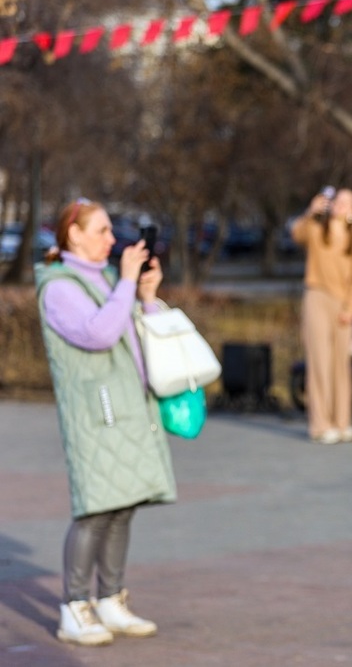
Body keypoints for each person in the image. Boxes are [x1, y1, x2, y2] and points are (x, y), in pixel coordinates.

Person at [34, 198, 177, 647]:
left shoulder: (111, 279)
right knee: (95, 509)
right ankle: (75, 606)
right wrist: (128, 282)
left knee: (123, 504)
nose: (112, 240)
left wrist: (146, 296)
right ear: (74, 234)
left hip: (129, 408)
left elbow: (140, 332)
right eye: (101, 231)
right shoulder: (59, 287)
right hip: (96, 414)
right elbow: (98, 333)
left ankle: (111, 598)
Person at [291, 186, 352, 443]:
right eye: (338, 200)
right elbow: (297, 234)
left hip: (344, 305)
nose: (340, 204)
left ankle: (342, 422)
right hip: (317, 298)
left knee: (341, 364)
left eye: (347, 202)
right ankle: (320, 425)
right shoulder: (316, 231)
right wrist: (310, 212)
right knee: (320, 362)